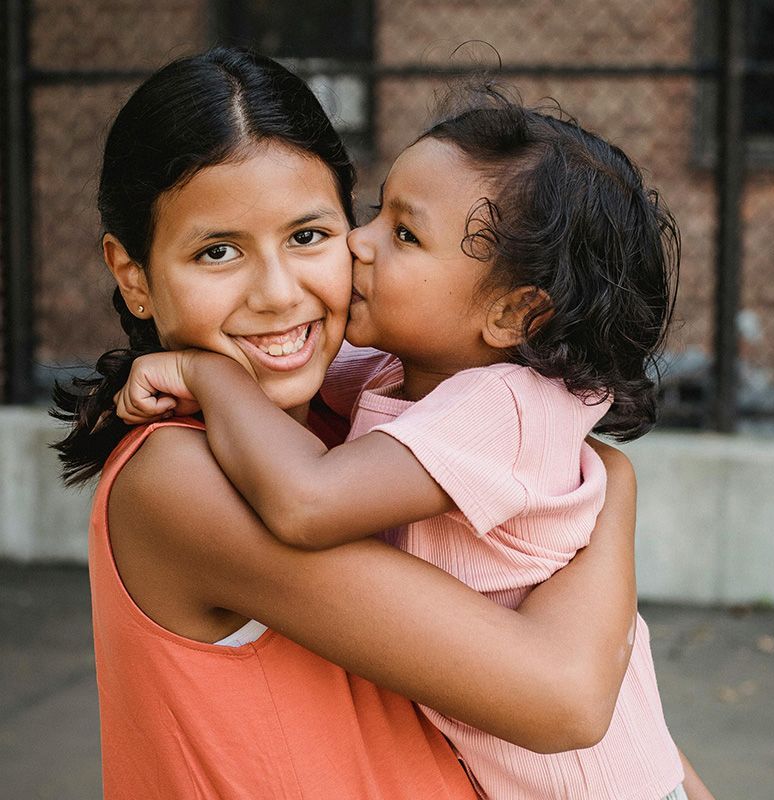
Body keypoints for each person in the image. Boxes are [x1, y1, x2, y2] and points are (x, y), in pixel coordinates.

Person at [50, 47, 701, 799]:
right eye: (217, 251)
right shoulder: (182, 478)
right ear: (135, 277)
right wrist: (614, 489)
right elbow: (568, 697)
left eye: (308, 235)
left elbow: (620, 722)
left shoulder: (356, 417)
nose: (277, 292)